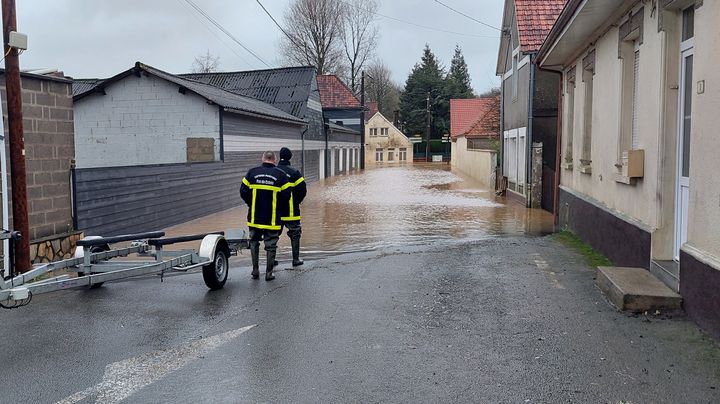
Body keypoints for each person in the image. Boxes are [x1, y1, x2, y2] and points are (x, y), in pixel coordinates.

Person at [240, 151, 290, 281]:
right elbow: (286, 196)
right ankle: (269, 273)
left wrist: (251, 204)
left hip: (255, 217)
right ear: (274, 160)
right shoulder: (281, 175)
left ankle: (255, 271)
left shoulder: (252, 172)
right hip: (272, 218)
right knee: (271, 245)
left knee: (254, 242)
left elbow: (243, 191)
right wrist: (278, 209)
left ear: (263, 159)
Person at [276, 147, 307, 268]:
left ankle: (271, 260)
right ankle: (295, 259)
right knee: (295, 234)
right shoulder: (294, 173)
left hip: (275, 212)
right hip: (291, 212)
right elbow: (303, 190)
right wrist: (296, 202)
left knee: (273, 235)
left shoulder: (273, 171)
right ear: (290, 158)